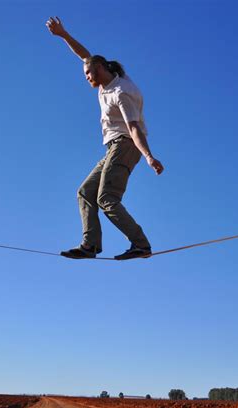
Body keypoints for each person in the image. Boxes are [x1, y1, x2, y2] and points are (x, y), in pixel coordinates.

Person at [46, 17, 164, 260]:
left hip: (127, 145)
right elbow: (85, 55)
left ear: (100, 70)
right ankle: (90, 245)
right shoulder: (106, 81)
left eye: (88, 73)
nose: (86, 78)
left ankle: (141, 244)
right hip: (114, 148)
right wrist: (63, 35)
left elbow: (133, 128)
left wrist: (149, 156)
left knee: (107, 198)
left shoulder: (121, 92)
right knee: (85, 192)